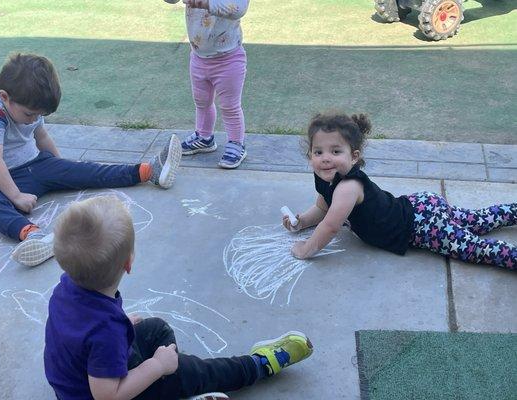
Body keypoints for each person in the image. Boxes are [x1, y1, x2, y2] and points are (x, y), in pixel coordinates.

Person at [44, 195, 313, 400]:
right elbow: (107, 395)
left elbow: (78, 330)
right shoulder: (105, 330)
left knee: (157, 329)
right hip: (102, 392)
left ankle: (174, 382)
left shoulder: (67, 285)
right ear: (128, 263)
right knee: (191, 370)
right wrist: (157, 366)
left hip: (83, 374)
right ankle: (257, 366)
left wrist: (121, 324)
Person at [0, 53, 182, 267]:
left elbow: (41, 136)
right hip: (7, 177)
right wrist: (16, 196)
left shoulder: (29, 104)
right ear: (5, 97)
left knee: (88, 170)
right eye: (30, 114)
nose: (33, 119)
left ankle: (148, 171)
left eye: (38, 115)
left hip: (39, 164)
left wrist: (63, 169)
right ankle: (33, 234)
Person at [283, 112, 516, 270]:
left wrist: (306, 249)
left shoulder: (348, 187)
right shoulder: (325, 178)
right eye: (318, 152)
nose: (325, 159)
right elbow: (323, 208)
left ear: (354, 157)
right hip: (420, 206)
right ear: (310, 154)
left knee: (473, 248)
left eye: (335, 152)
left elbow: (331, 226)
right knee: (476, 220)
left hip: (423, 227)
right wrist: (301, 221)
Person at [164, 0, 249, 169]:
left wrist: (207, 3)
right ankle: (204, 138)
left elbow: (239, 8)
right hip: (198, 57)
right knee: (202, 101)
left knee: (230, 106)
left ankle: (236, 143)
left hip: (229, 59)